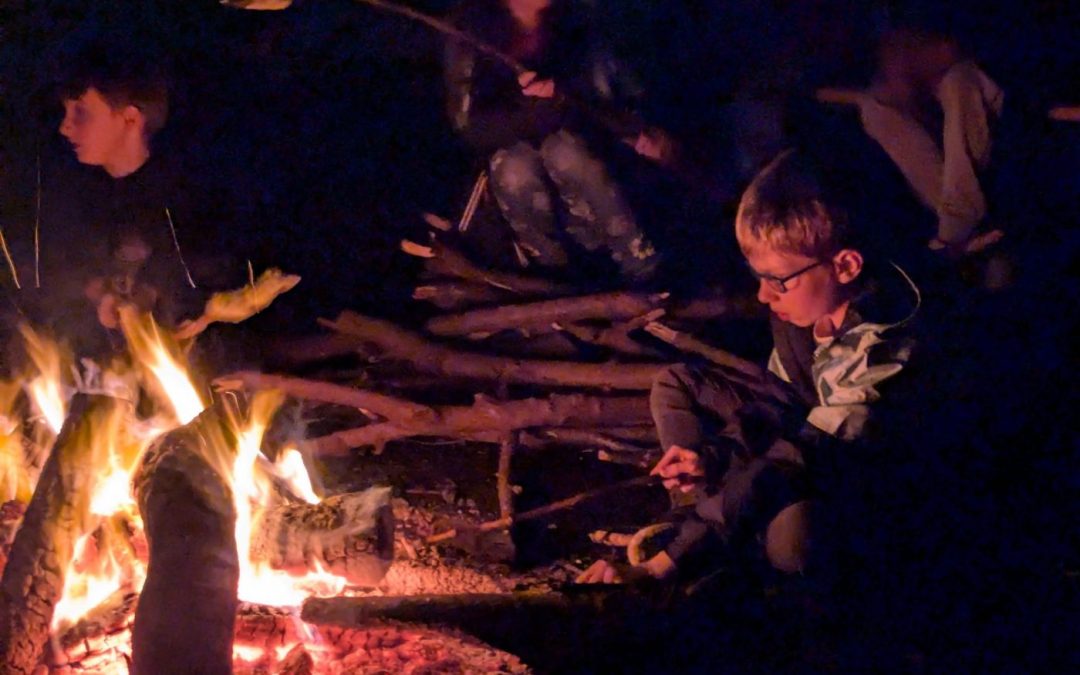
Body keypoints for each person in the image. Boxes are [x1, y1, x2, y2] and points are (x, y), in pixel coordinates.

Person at [578, 149, 921, 584]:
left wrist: (666, 565)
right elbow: (780, 402)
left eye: (778, 281)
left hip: (864, 480)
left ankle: (708, 544)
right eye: (759, 277)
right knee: (676, 384)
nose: (763, 297)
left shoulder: (884, 346)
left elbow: (800, 456)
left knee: (792, 543)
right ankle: (696, 519)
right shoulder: (807, 308)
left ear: (846, 265)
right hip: (804, 444)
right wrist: (711, 455)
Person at [10, 44, 215, 359]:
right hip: (93, 373)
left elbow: (205, 283)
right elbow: (55, 278)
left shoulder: (188, 198)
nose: (65, 126)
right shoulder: (65, 197)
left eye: (81, 112)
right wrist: (98, 293)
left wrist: (151, 295)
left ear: (131, 119)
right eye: (65, 113)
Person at [444, 0, 660, 284]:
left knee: (565, 152)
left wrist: (567, 97)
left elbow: (613, 98)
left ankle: (640, 267)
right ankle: (553, 278)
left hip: (590, 175)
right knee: (513, 168)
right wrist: (535, 111)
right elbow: (470, 127)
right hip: (520, 171)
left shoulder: (580, 20)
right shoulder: (471, 28)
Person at [851, 23, 1005, 257]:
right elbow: (898, 62)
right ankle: (961, 227)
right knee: (876, 105)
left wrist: (921, 65)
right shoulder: (892, 31)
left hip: (990, 79)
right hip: (934, 84)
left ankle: (957, 227)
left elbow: (952, 48)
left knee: (959, 81)